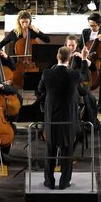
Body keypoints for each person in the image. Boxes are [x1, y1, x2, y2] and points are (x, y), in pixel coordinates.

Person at [37, 46, 80, 189]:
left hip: (52, 117)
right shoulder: (74, 75)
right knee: (67, 151)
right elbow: (86, 77)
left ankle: (49, 182)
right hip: (68, 118)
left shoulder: (47, 73)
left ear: (57, 56)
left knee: (50, 150)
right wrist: (85, 60)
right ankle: (64, 182)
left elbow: (40, 89)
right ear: (70, 58)